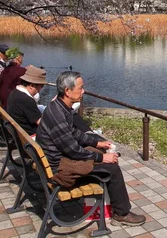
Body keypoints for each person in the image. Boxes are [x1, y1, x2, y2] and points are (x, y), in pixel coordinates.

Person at [36, 71, 145, 226]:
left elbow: (73, 133)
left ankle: (114, 205)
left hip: (53, 160)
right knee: (112, 169)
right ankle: (122, 213)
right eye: (80, 88)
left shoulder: (57, 106)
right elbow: (72, 150)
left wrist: (97, 143)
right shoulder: (57, 115)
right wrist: (102, 158)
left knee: (100, 153)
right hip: (59, 169)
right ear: (67, 91)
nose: (83, 91)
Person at [8, 65, 46, 136]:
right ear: (31, 86)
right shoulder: (26, 100)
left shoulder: (15, 92)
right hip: (31, 137)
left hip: (20, 134)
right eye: (41, 86)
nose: (40, 90)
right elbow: (41, 123)